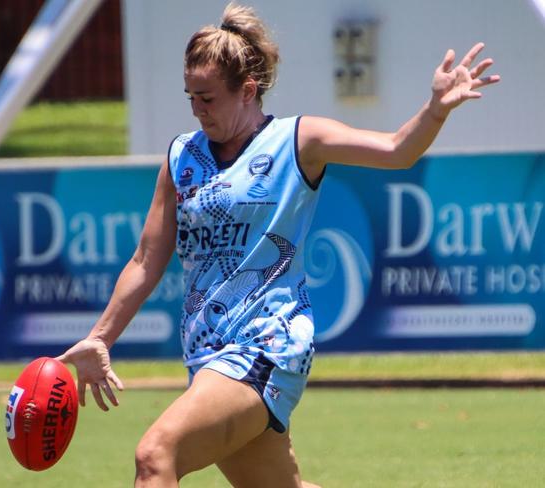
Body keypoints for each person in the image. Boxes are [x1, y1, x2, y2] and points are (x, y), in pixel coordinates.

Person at [57, 3, 500, 487]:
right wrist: (101, 336)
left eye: (206, 97)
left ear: (247, 90)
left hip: (268, 344)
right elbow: (145, 260)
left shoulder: (297, 140)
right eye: (190, 97)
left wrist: (435, 108)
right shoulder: (181, 157)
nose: (196, 109)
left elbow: (397, 150)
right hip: (208, 354)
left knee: (155, 455)